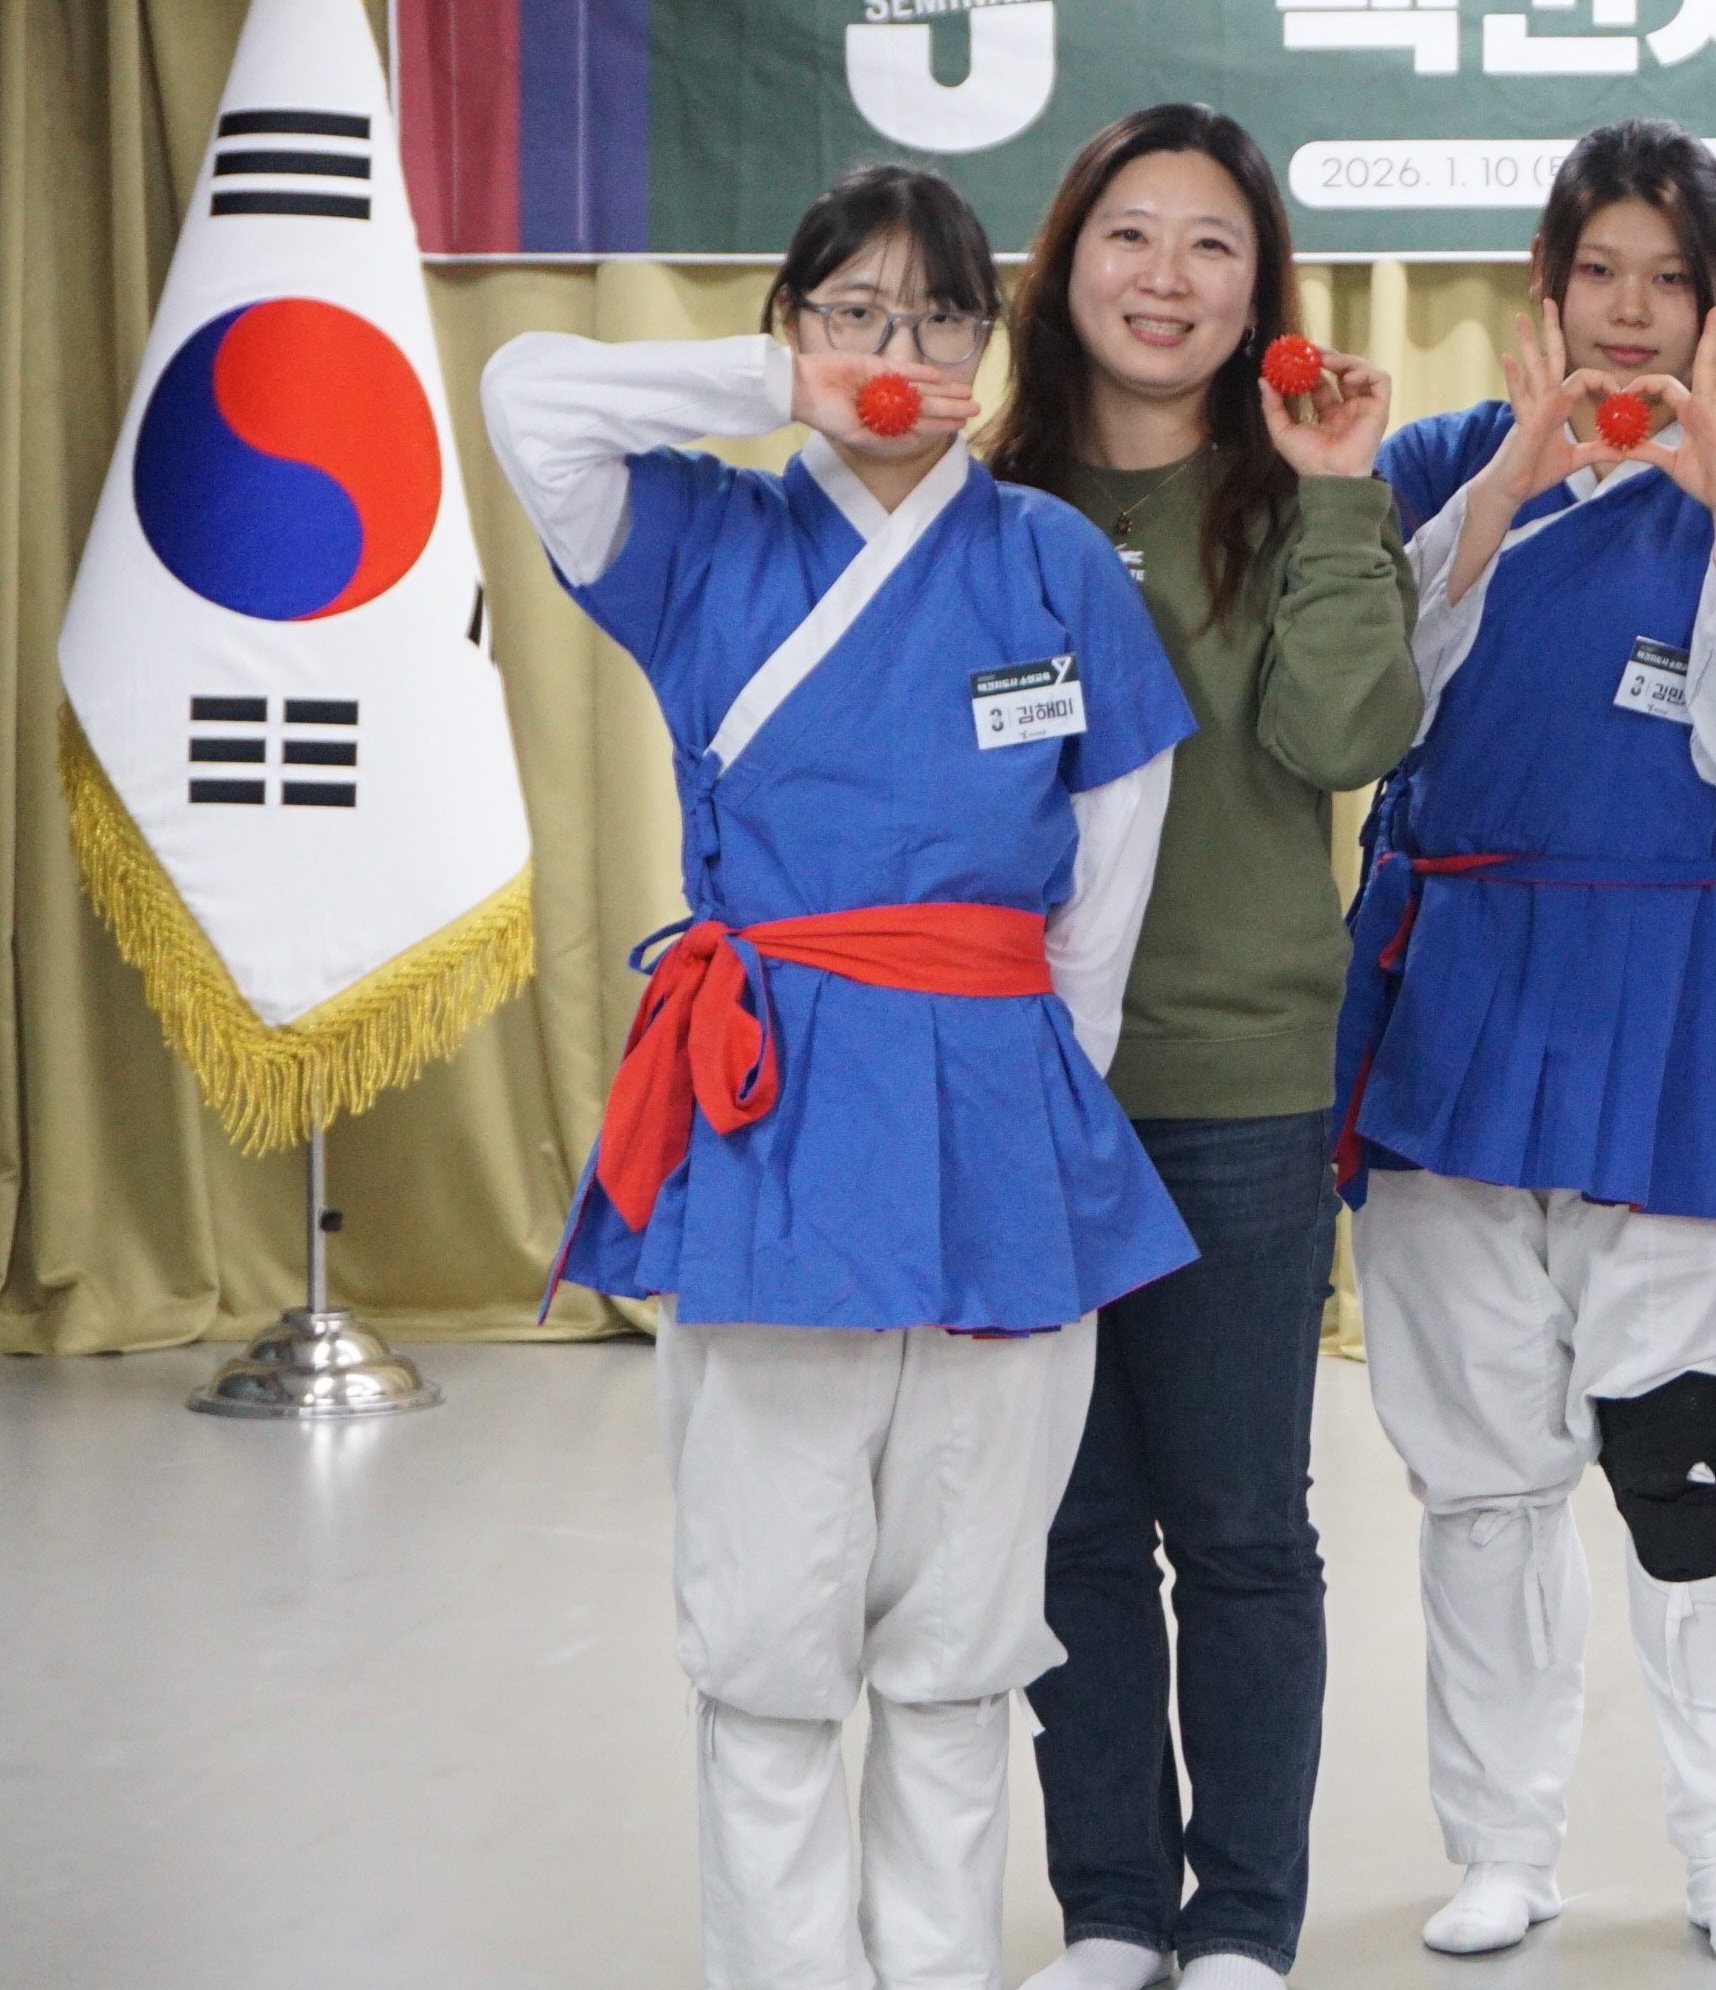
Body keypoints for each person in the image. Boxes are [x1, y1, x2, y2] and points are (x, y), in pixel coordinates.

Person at [480, 163, 1197, 1990]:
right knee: (772, 1626)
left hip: (1002, 1110)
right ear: (792, 326)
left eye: (942, 317)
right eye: (856, 312)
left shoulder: (1050, 559)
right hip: (773, 1107)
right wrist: (768, 385)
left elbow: (1113, 860)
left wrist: (1047, 1085)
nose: (901, 352)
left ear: (992, 344)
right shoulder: (701, 537)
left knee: (963, 1627)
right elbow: (524, 396)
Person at [1334, 117, 1716, 1972]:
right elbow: (1369, 710)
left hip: (1681, 1004)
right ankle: (1505, 1845)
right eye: (1599, 274)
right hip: (1461, 1001)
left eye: (1670, 282)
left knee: (1688, 1460)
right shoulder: (1431, 465)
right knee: (1481, 1475)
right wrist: (1504, 492)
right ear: (1544, 291)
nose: (1630, 314)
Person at [981, 108, 1422, 1990]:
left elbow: (1348, 740)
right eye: (1130, 235)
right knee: (1069, 1528)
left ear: (1262, 296)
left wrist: (1335, 495)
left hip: (1239, 1082)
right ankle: (1108, 1911)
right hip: (1018, 1088)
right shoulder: (981, 509)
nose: (1166, 277)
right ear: (1063, 264)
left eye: (1213, 246)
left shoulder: (1297, 499)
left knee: (1241, 1529)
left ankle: (1241, 1922)